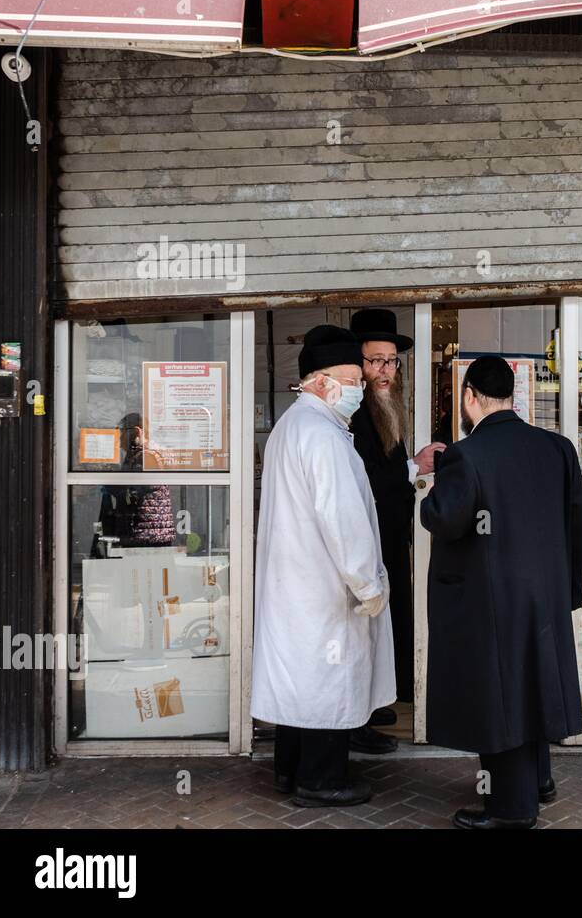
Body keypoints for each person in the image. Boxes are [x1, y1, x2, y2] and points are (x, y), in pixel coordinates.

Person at [420, 356, 582, 829]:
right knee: (532, 684)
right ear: (512, 395)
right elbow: (579, 521)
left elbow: (446, 519)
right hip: (544, 595)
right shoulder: (557, 448)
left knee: (500, 698)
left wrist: (431, 486)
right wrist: (570, 586)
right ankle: (539, 782)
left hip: (490, 599)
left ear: (469, 395)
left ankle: (512, 809)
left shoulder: (466, 455)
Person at [251, 325, 396, 808]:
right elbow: (344, 519)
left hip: (296, 584)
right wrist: (367, 582)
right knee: (327, 683)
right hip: (326, 588)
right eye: (352, 378)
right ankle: (322, 779)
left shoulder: (293, 427)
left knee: (300, 681)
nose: (360, 387)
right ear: (320, 382)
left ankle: (289, 772)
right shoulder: (324, 436)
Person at [347, 309, 445, 753]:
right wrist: (414, 466)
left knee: (383, 624)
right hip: (364, 542)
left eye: (391, 361)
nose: (385, 370)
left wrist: (412, 467)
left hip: (386, 536)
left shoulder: (384, 406)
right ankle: (356, 721)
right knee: (363, 627)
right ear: (359, 365)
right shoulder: (353, 413)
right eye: (375, 361)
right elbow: (365, 479)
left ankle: (372, 703)